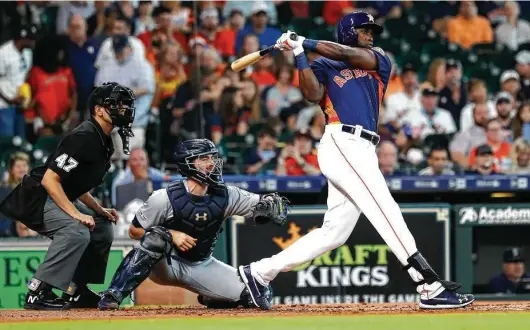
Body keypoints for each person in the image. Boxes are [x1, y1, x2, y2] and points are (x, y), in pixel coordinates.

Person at [236, 11, 474, 310]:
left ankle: (258, 273)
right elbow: (312, 94)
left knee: (333, 233)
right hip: (341, 141)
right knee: (384, 207)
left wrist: (304, 41)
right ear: (348, 31)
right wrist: (299, 53)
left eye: (371, 30)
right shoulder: (322, 63)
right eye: (364, 30)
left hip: (363, 147)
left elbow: (347, 53)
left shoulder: (377, 58)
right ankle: (428, 284)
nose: (371, 34)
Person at [97, 139, 288, 310]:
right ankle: (114, 293)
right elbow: (134, 231)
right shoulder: (164, 197)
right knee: (156, 237)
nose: (211, 163)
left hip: (200, 264)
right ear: (188, 164)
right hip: (165, 263)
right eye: (203, 159)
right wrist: (172, 234)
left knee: (255, 292)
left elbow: (261, 202)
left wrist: (270, 205)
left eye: (212, 158)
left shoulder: (227, 195)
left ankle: (213, 297)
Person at [0, 82, 136, 310]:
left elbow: (75, 183)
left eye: (124, 105)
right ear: (99, 110)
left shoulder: (105, 141)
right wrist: (75, 213)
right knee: (76, 230)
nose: (122, 109)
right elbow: (50, 179)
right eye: (116, 104)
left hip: (54, 194)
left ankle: (75, 290)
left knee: (101, 227)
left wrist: (98, 210)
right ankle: (38, 292)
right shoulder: (83, 136)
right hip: (36, 196)